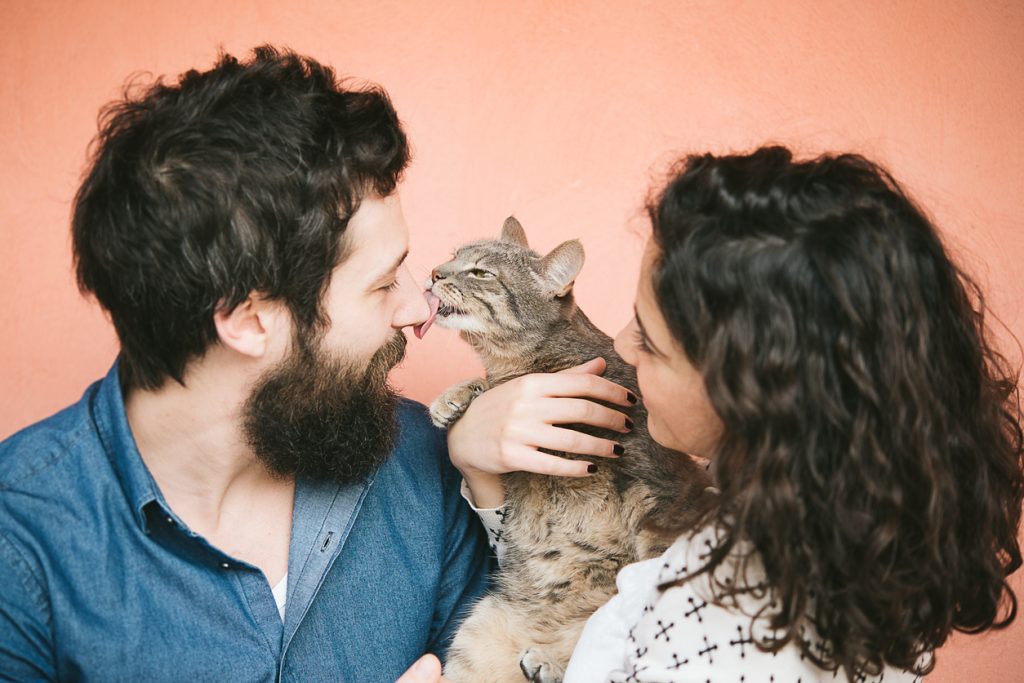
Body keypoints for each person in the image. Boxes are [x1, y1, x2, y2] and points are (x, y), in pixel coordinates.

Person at [0, 45, 635, 683]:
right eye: (385, 282)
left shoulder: (430, 464)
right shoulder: (21, 539)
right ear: (251, 321)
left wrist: (486, 479)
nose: (420, 309)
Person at [441, 146, 1023, 681]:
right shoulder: (797, 531)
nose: (619, 346)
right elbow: (564, 580)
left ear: (749, 392)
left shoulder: (720, 640)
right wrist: (481, 471)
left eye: (652, 340)